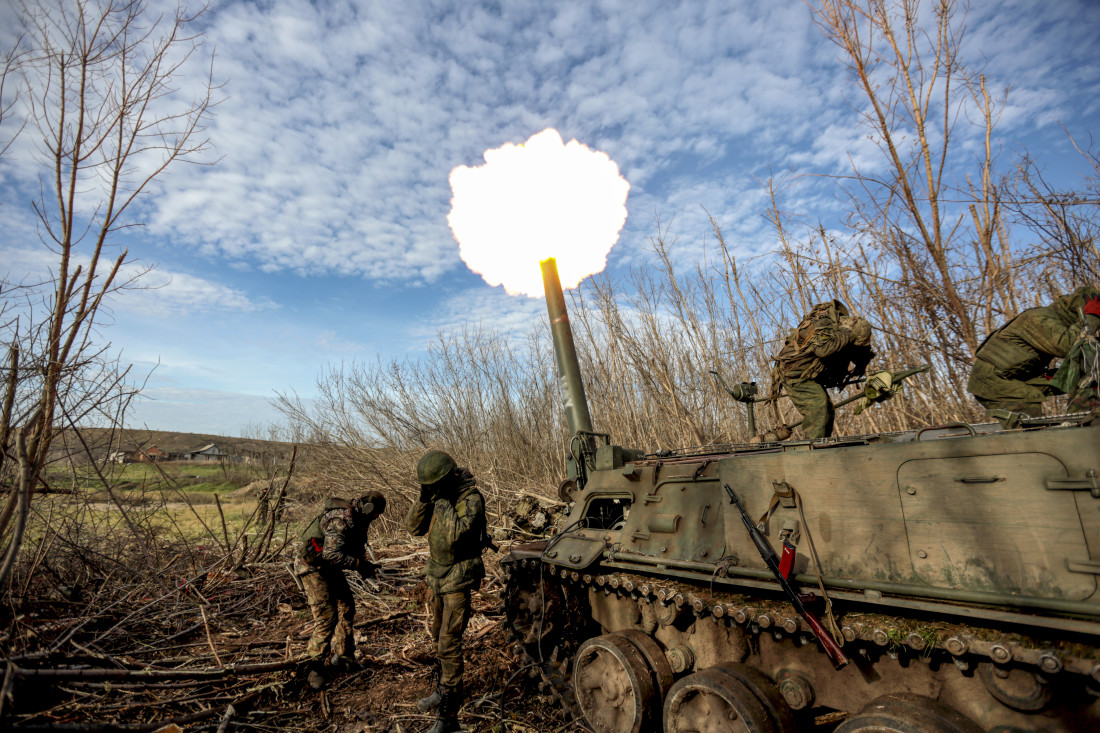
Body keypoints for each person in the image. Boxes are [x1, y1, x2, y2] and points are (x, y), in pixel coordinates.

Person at [406, 451, 487, 733]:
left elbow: (452, 539)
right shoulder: (441, 496)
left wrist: (440, 500)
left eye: (437, 484)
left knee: (449, 644)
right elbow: (414, 528)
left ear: (451, 476)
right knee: (438, 635)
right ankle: (443, 690)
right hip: (438, 577)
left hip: (458, 578)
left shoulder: (471, 499)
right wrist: (424, 498)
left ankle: (449, 719)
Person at [968, 286, 1100, 427]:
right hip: (993, 382)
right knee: (1031, 429)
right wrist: (1091, 318)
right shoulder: (1038, 317)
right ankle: (1076, 431)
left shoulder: (1060, 322)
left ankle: (1084, 422)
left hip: (1021, 376)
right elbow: (1067, 346)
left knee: (1086, 376)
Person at [294, 491, 386, 690]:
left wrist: (368, 568)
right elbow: (331, 555)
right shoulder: (340, 520)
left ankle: (344, 656)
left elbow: (355, 550)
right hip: (312, 568)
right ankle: (314, 666)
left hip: (328, 567)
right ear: (369, 510)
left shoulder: (360, 521)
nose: (376, 518)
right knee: (327, 617)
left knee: (347, 606)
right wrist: (360, 565)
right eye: (376, 514)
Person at [770, 299, 874, 439]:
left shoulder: (840, 332)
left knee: (828, 410)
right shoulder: (823, 324)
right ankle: (813, 451)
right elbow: (822, 350)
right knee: (818, 406)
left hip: (807, 374)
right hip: (794, 373)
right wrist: (848, 333)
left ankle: (822, 444)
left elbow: (856, 353)